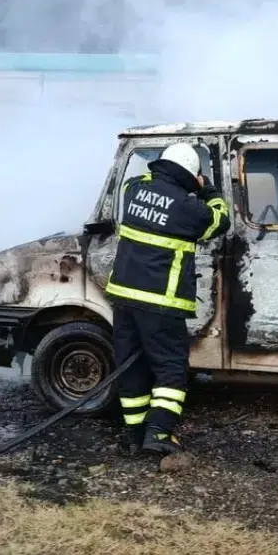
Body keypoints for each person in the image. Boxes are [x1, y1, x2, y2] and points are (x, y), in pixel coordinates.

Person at [105, 142, 231, 455]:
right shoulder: (188, 209)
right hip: (161, 302)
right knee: (171, 367)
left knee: (132, 367)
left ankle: (136, 435)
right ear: (190, 175)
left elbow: (146, 181)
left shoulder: (133, 191)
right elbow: (221, 220)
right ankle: (159, 432)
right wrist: (207, 188)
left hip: (124, 299)